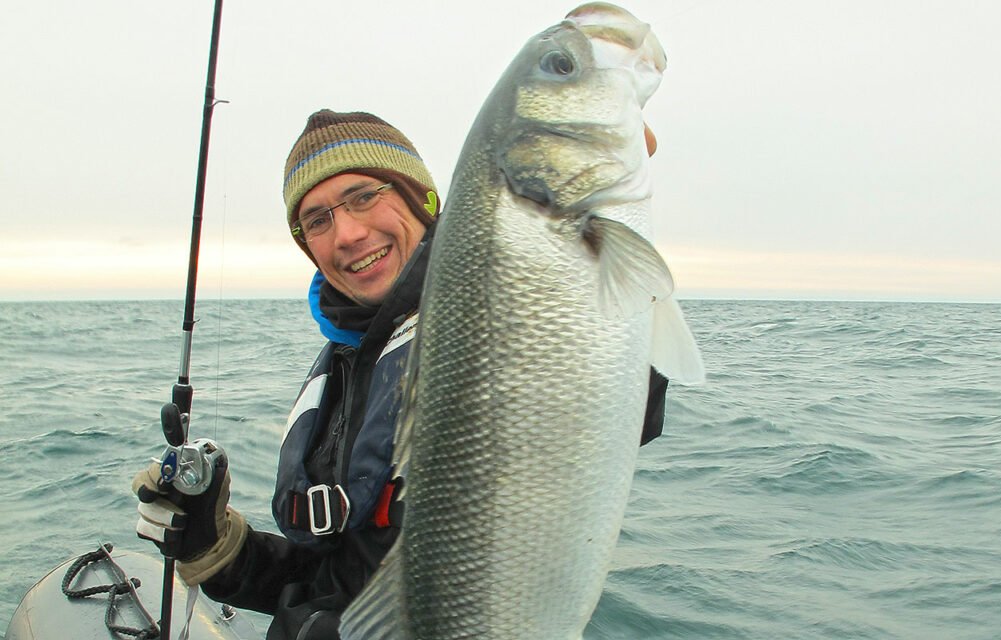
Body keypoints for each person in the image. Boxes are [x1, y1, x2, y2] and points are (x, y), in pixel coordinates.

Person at [133, 110, 669, 640]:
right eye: (317, 220)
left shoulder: (498, 321)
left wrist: (586, 181)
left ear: (425, 201)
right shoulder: (344, 366)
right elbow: (335, 577)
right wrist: (216, 545)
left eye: (365, 196)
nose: (346, 233)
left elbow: (609, 384)